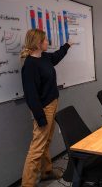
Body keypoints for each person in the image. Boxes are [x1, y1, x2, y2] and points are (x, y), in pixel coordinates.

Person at [20, 29, 74, 187]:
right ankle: (27, 184)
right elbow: (31, 95)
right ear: (38, 43)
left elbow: (56, 57)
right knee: (37, 148)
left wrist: (67, 46)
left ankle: (46, 172)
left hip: (52, 103)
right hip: (43, 109)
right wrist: (40, 116)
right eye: (45, 40)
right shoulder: (30, 65)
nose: (47, 42)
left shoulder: (44, 57)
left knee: (46, 141)